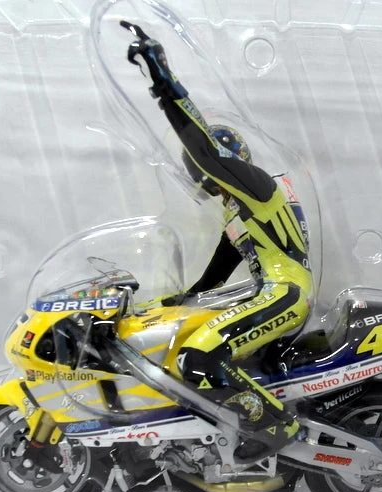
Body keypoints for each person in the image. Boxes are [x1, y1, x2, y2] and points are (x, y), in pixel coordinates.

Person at [122, 21, 314, 463]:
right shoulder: (239, 210)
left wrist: (163, 83)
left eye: (204, 170)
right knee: (191, 338)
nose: (201, 177)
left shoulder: (258, 186)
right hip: (273, 291)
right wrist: (175, 301)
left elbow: (206, 150)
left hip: (285, 293)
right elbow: (219, 270)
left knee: (198, 357)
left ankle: (275, 426)